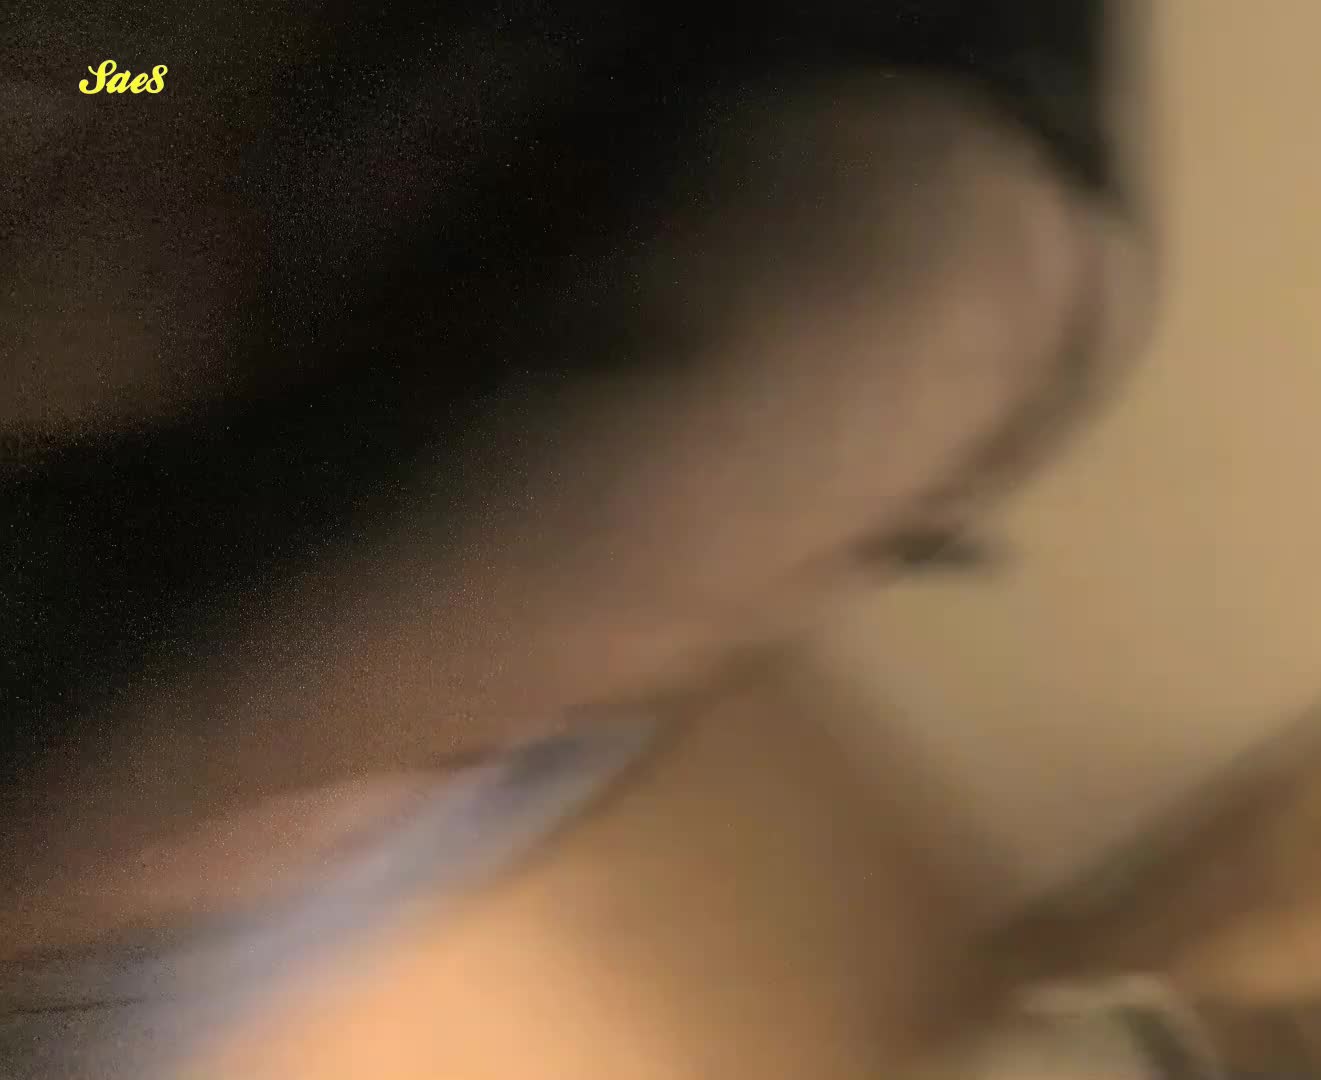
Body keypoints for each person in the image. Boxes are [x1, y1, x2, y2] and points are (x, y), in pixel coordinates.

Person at [1, 3, 1153, 1076]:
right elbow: (135, 67)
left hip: (192, 737)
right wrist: (98, 79)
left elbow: (207, 732)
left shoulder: (902, 260)